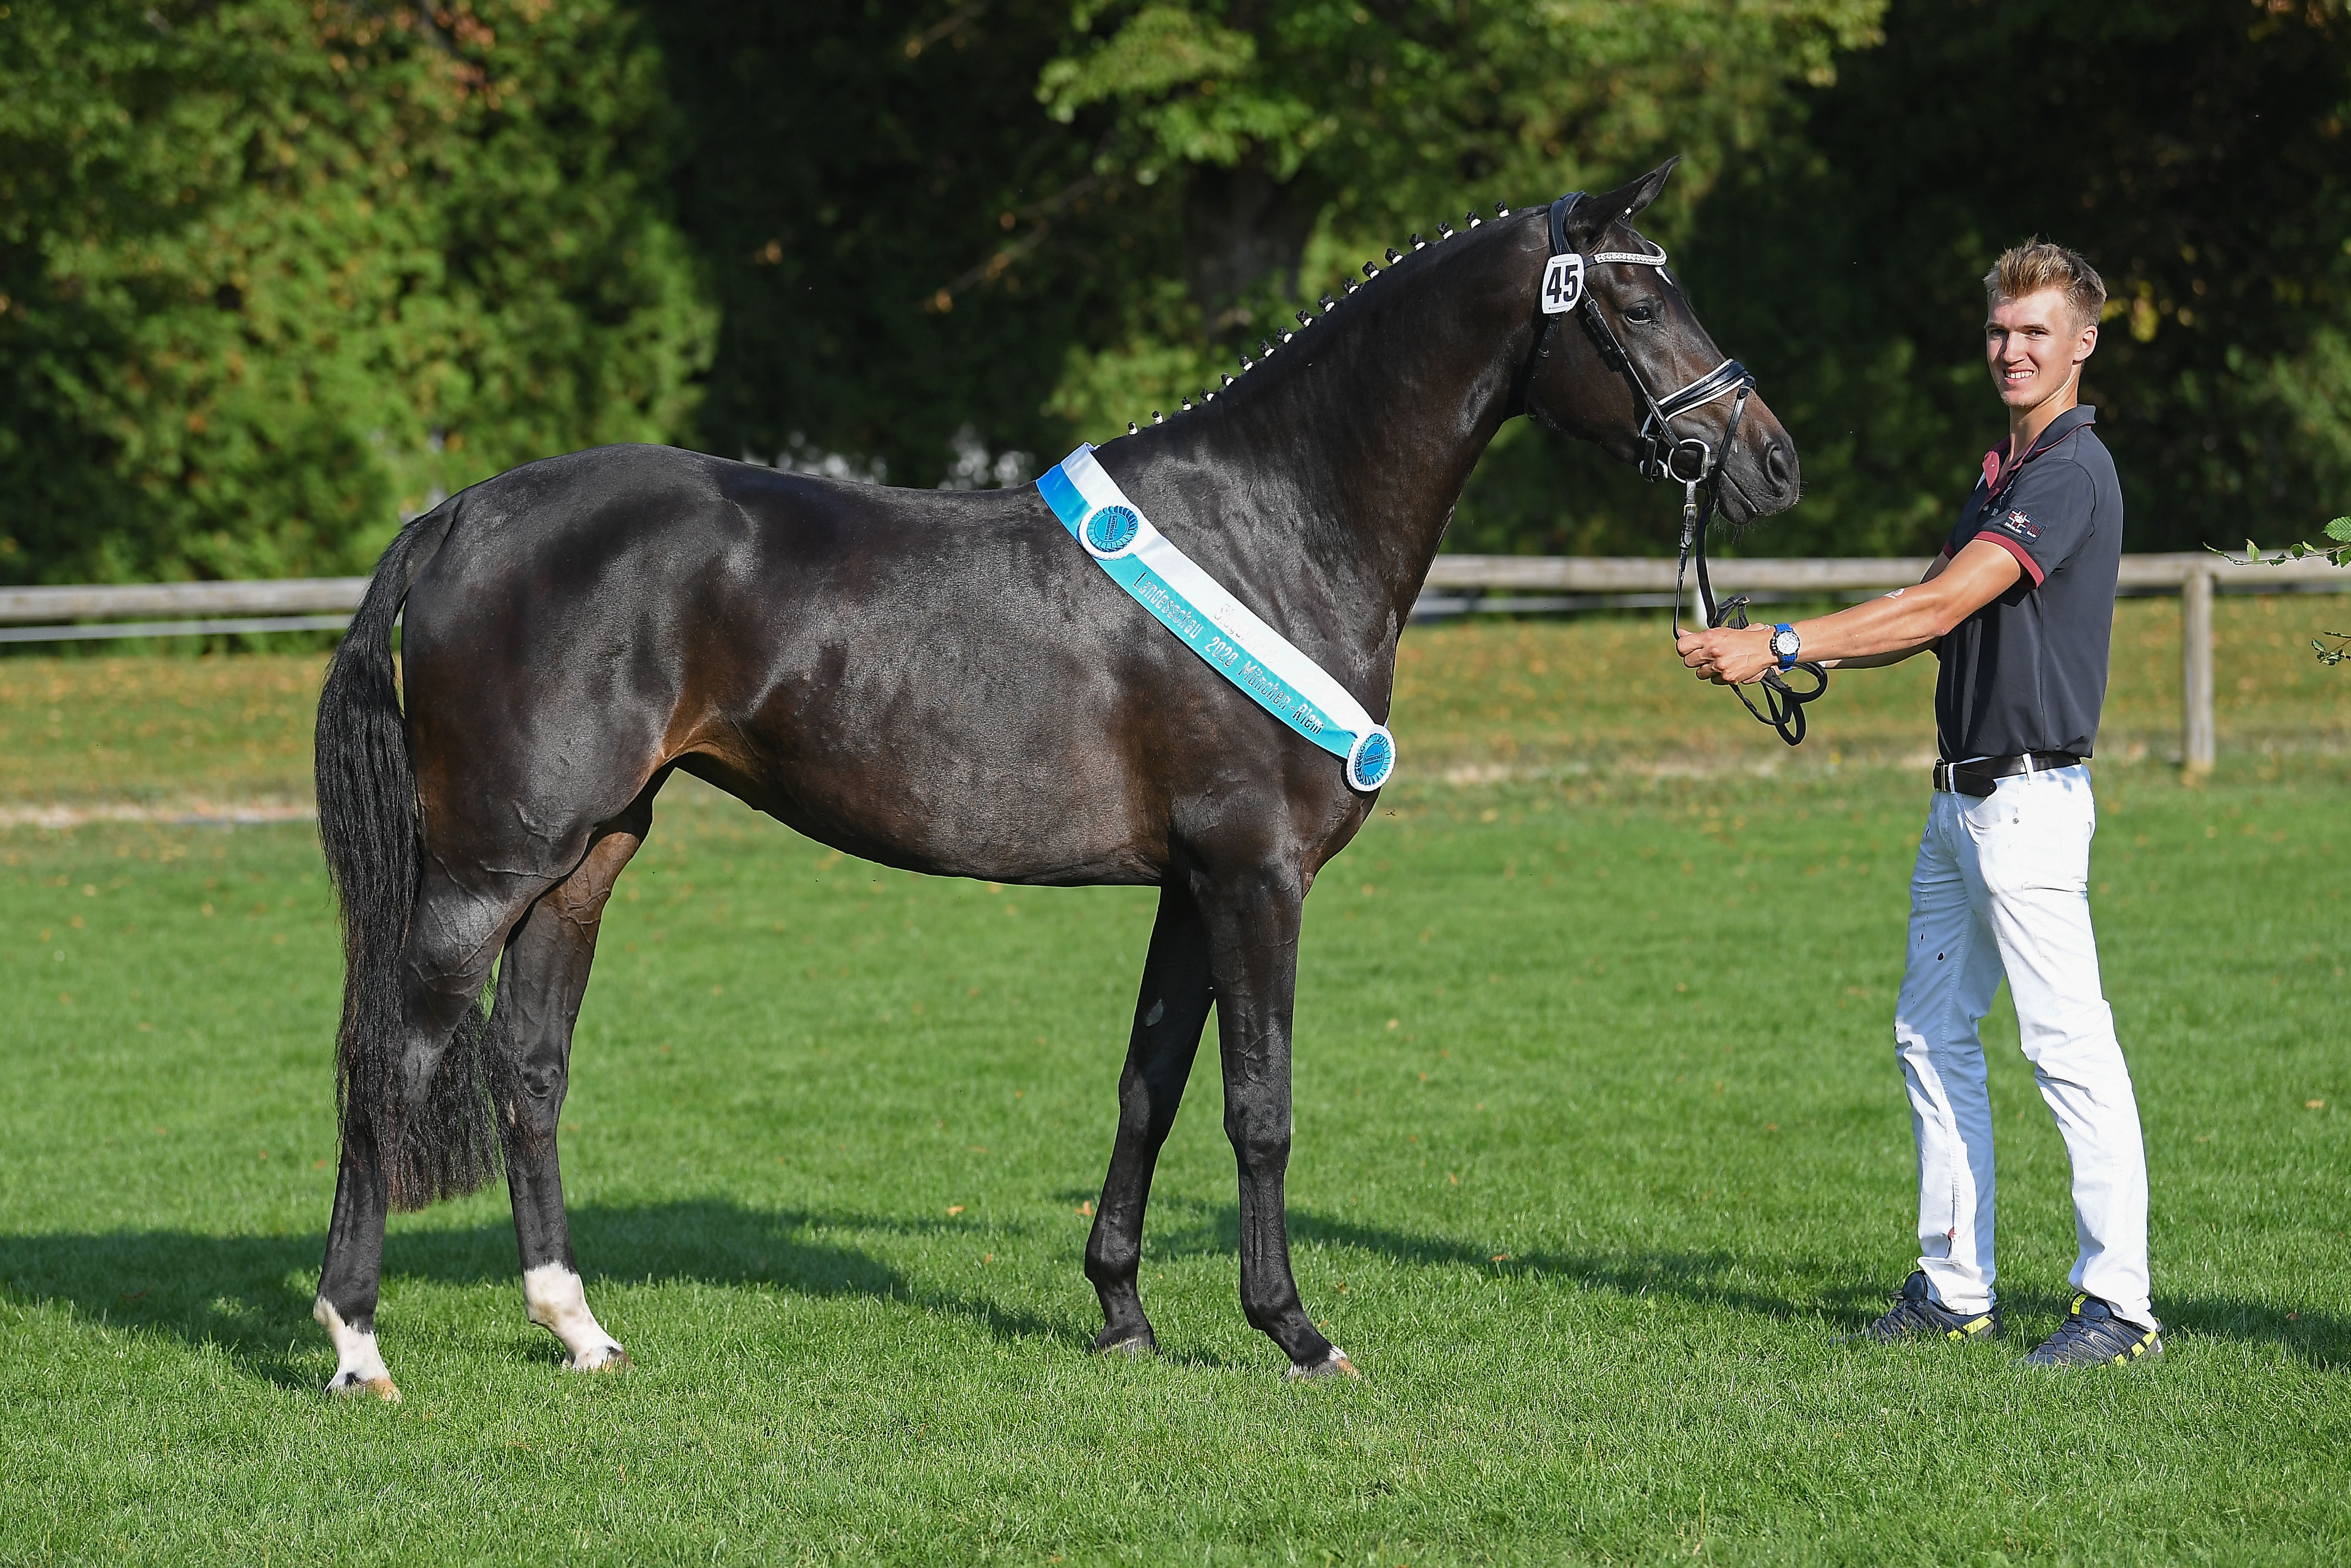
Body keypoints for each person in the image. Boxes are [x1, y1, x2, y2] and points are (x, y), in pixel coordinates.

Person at [1676, 240, 2160, 1368]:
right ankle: (1954, 1286)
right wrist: (1796, 656)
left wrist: (1783, 640)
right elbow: (1938, 618)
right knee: (1930, 1033)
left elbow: (1945, 599)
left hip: (2029, 807)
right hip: (1960, 806)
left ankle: (2120, 1305)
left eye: (2036, 331)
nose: (2012, 348)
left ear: (2082, 344)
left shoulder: (2071, 472)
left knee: (2067, 1048)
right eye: (2000, 329)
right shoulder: (2000, 471)